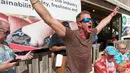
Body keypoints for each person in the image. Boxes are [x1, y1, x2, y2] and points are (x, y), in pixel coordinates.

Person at [30, 0, 119, 73]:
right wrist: (35, 2)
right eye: (87, 20)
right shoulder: (71, 35)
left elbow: (102, 23)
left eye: (90, 19)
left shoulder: (92, 33)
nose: (90, 22)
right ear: (79, 24)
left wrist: (112, 14)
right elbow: (49, 20)